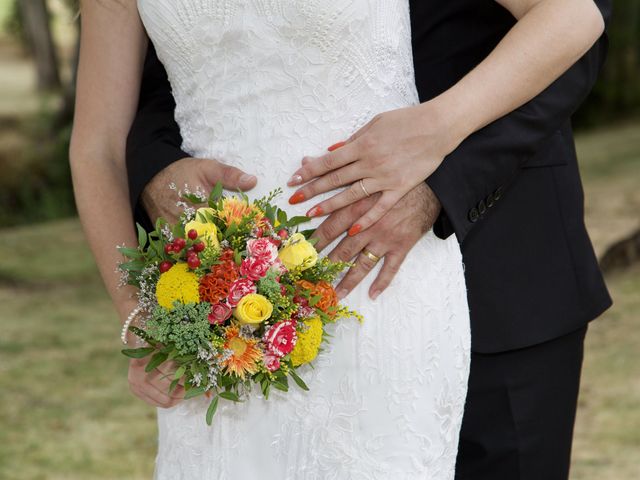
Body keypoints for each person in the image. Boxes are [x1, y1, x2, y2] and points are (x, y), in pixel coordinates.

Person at [71, 2, 611, 480]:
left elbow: (574, 16)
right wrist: (138, 315)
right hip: (224, 301)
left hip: (421, 282)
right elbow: (106, 136)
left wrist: (437, 130)